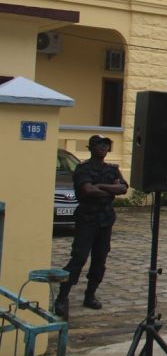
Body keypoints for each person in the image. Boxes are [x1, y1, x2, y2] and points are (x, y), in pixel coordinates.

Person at [54, 135, 128, 319]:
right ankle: (62, 297)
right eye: (99, 145)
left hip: (105, 219)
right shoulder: (83, 169)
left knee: (100, 259)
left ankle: (90, 295)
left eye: (106, 145)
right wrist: (109, 188)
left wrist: (100, 186)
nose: (103, 148)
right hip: (87, 218)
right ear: (91, 148)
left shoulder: (112, 169)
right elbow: (87, 190)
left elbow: (123, 188)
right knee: (79, 258)